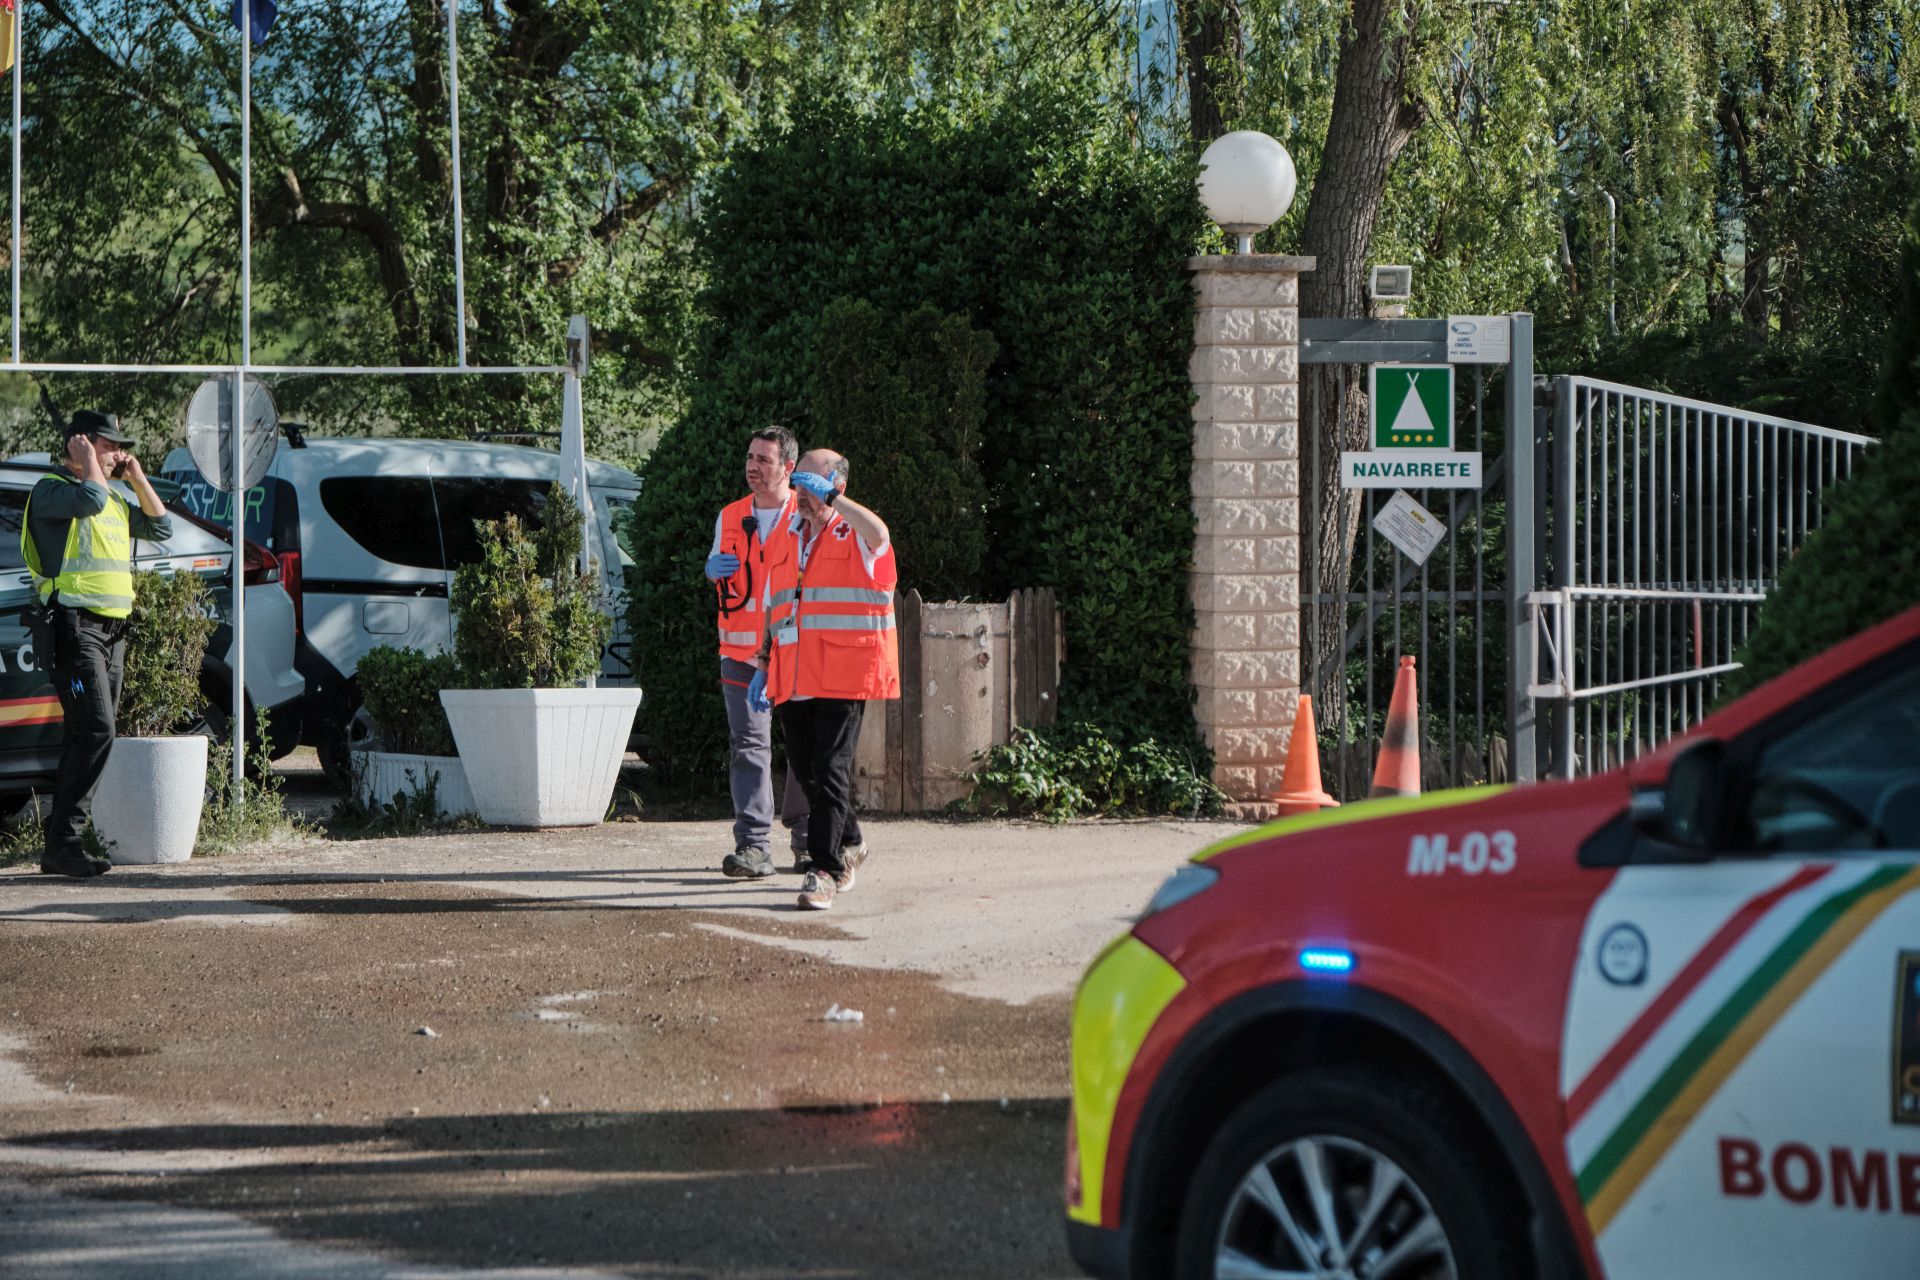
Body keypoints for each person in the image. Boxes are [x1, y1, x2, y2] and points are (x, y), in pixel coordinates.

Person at [23, 410, 173, 878]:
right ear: (80, 445)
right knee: (96, 731)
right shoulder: (54, 491)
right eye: (110, 445)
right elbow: (88, 497)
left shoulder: (111, 497)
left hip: (112, 635)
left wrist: (138, 474)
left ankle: (60, 846)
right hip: (75, 630)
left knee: (86, 734)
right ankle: (65, 840)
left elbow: (161, 527)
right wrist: (90, 462)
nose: (119, 453)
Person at [748, 449, 897, 910]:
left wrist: (832, 498)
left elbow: (881, 534)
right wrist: (762, 663)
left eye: (814, 482)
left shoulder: (855, 533)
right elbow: (776, 604)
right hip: (793, 675)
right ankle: (851, 838)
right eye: (801, 481)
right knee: (808, 773)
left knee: (831, 770)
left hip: (844, 674)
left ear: (837, 486)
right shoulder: (789, 536)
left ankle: (826, 870)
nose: (803, 491)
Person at [706, 426, 810, 879]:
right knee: (748, 747)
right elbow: (722, 573)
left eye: (764, 459)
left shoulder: (804, 516)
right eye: (750, 457)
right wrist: (712, 570)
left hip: (795, 652)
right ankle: (753, 847)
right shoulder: (730, 515)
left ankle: (809, 843)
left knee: (806, 749)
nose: (753, 466)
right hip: (740, 652)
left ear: (788, 467)